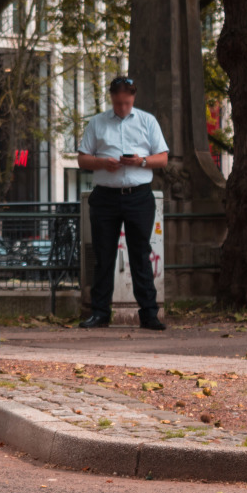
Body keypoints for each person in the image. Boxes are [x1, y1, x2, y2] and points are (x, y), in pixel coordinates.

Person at [76, 76, 169, 330]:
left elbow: (162, 158)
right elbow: (83, 159)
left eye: (126, 103)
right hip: (106, 195)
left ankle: (149, 313)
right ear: (111, 98)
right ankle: (100, 313)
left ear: (133, 98)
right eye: (118, 104)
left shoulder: (147, 121)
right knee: (103, 255)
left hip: (138, 195)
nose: (122, 108)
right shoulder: (97, 123)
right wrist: (103, 163)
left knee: (140, 254)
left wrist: (141, 161)